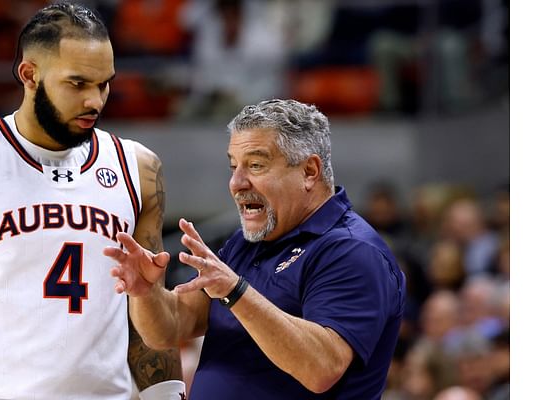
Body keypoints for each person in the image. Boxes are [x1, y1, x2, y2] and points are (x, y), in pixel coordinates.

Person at [0, 3, 184, 399]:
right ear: (29, 75)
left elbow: (146, 311)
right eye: (78, 84)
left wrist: (167, 395)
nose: (95, 102)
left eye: (104, 84)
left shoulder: (138, 167)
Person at [104, 99, 405, 399]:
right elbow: (168, 329)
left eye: (256, 165)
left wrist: (236, 292)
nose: (236, 182)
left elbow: (321, 367)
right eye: (234, 166)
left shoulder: (352, 250)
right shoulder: (247, 242)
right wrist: (146, 293)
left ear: (310, 171)